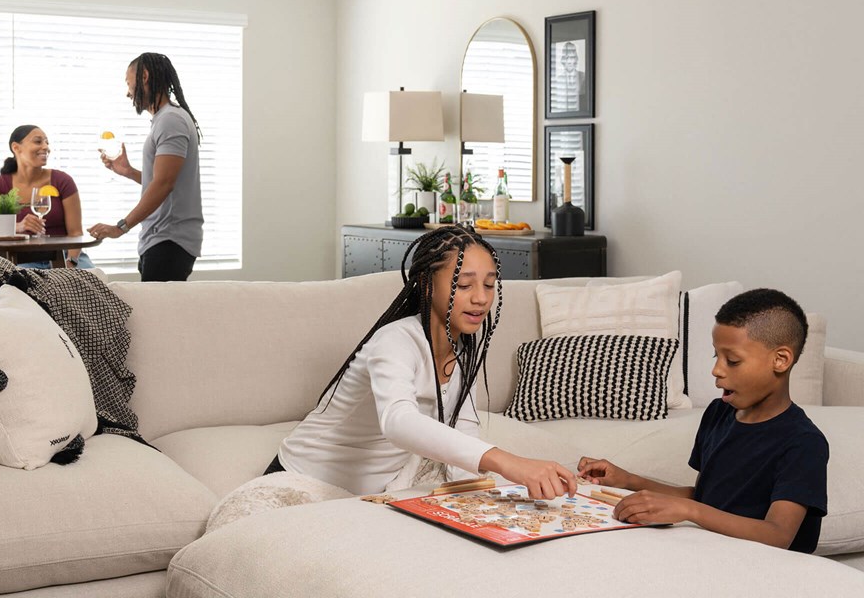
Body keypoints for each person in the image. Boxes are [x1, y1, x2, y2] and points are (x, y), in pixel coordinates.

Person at [271, 225, 578, 498]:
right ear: (427, 284)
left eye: (489, 284)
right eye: (465, 284)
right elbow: (398, 421)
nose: (481, 298)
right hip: (304, 481)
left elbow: (464, 428)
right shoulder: (395, 340)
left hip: (370, 495)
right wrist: (511, 463)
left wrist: (479, 499)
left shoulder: (463, 349)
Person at [578, 288, 828, 553]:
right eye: (715, 356)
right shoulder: (719, 413)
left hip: (772, 570)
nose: (716, 370)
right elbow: (706, 498)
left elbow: (778, 535)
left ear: (780, 360)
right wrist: (627, 480)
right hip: (714, 551)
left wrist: (689, 510)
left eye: (732, 361)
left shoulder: (804, 443)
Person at [88, 53, 202, 282]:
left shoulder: (171, 120)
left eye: (129, 84)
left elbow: (164, 184)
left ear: (145, 77)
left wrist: (120, 227)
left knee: (159, 317)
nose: (128, 93)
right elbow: (166, 180)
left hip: (169, 241)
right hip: (161, 241)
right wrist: (129, 171)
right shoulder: (165, 119)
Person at [0, 125, 93, 269]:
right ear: (16, 147)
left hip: (65, 255)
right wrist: (18, 227)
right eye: (38, 142)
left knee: (91, 282)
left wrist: (70, 262)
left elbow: (75, 233)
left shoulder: (62, 181)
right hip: (23, 259)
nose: (45, 147)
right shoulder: (0, 185)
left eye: (47, 142)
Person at [551, 41, 586, 112]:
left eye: (572, 57)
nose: (570, 61)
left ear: (575, 59)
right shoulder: (558, 80)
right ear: (563, 60)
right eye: (567, 58)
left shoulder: (583, 77)